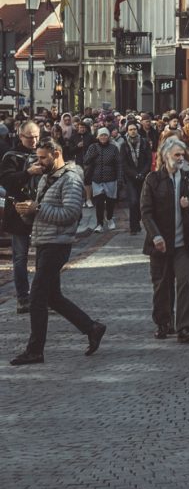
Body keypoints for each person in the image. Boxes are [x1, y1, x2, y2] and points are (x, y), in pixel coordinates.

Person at [9, 139, 106, 365]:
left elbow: (70, 214)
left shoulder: (70, 179)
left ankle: (35, 350)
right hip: (44, 241)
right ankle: (92, 327)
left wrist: (38, 208)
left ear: (57, 153)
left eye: (43, 158)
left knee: (37, 297)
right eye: (38, 157)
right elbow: (40, 212)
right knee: (53, 297)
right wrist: (26, 211)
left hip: (58, 244)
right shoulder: (46, 178)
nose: (39, 162)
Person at [140, 137, 189, 342]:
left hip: (183, 243)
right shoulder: (153, 180)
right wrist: (155, 235)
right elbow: (146, 212)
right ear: (166, 156)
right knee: (162, 285)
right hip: (160, 243)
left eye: (182, 155)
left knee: (184, 282)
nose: (180, 159)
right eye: (176, 155)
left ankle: (185, 326)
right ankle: (163, 322)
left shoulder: (188, 179)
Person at [1, 119, 41, 312]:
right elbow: (7, 181)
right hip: (18, 210)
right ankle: (22, 298)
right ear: (21, 136)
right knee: (20, 257)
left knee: (45, 256)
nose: (34, 141)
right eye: (30, 137)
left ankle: (46, 296)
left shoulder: (42, 152)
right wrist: (27, 173)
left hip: (41, 210)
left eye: (36, 137)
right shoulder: (11, 156)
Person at [83, 126, 121, 231]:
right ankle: (99, 223)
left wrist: (120, 178)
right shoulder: (93, 147)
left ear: (108, 137)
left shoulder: (113, 148)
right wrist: (92, 156)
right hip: (97, 179)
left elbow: (118, 164)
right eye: (101, 135)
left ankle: (109, 218)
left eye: (105, 135)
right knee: (99, 202)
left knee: (110, 202)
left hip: (111, 179)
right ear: (98, 137)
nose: (103, 137)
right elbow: (85, 161)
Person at [120, 119, 152, 234]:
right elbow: (124, 163)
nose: (132, 131)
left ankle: (137, 221)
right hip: (131, 178)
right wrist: (134, 174)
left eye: (134, 129)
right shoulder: (124, 145)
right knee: (133, 201)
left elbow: (149, 160)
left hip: (143, 176)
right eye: (130, 130)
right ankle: (133, 227)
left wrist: (142, 173)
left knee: (140, 202)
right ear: (127, 131)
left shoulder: (144, 142)